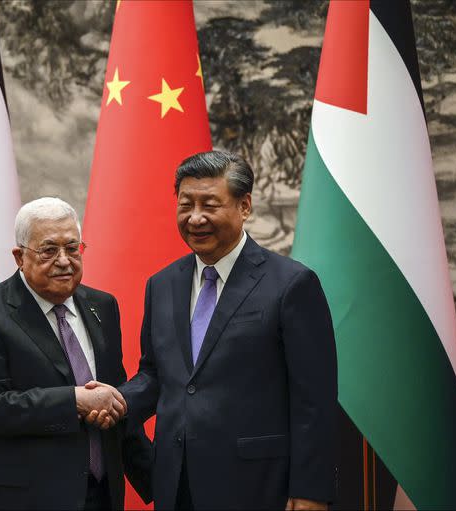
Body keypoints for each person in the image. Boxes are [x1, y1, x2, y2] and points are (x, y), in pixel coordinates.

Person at [115, 150, 338, 510]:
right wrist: (114, 402)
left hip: (258, 486)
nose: (196, 217)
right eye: (186, 204)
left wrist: (312, 489)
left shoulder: (292, 284)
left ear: (244, 206)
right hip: (177, 484)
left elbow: (315, 399)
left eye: (210, 204)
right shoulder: (162, 284)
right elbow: (157, 375)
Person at [0, 197, 152, 511]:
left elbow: (111, 401)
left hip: (99, 495)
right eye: (48, 250)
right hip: (23, 497)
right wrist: (74, 400)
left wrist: (158, 480)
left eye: (73, 248)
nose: (64, 260)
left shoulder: (102, 306)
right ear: (20, 257)